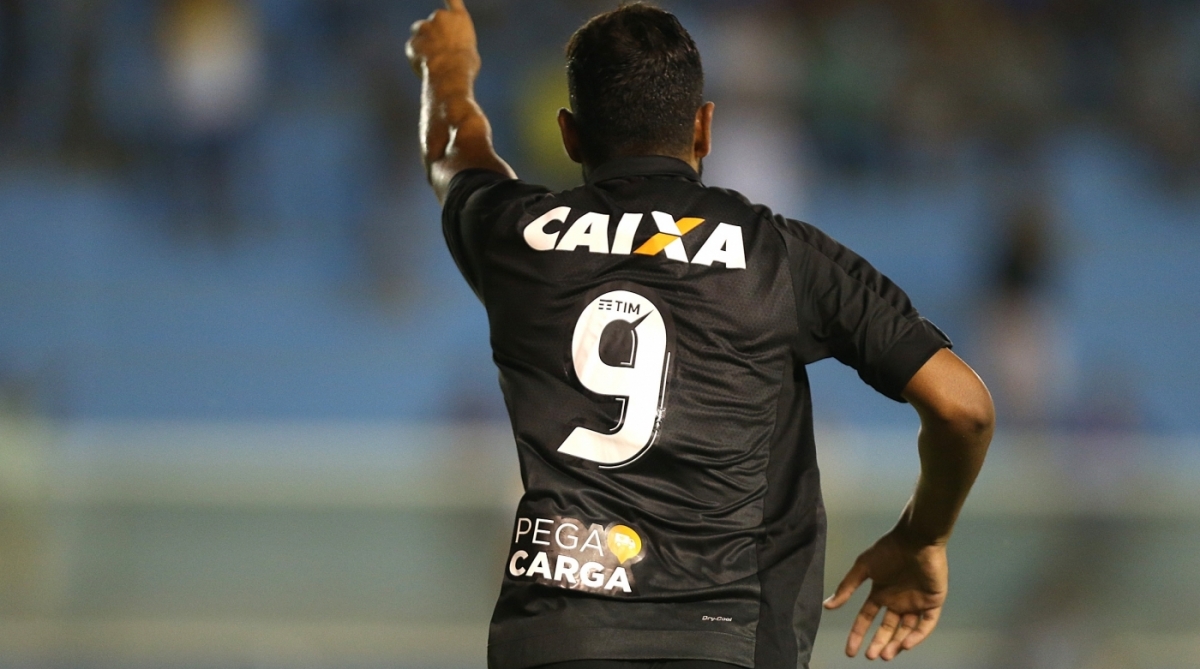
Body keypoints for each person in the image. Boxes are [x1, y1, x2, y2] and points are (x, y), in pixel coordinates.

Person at [406, 3, 994, 668]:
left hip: (553, 637)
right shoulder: (781, 255)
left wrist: (446, 65)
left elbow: (453, 147)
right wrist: (923, 537)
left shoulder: (518, 239)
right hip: (726, 635)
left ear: (569, 135)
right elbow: (963, 406)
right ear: (705, 127)